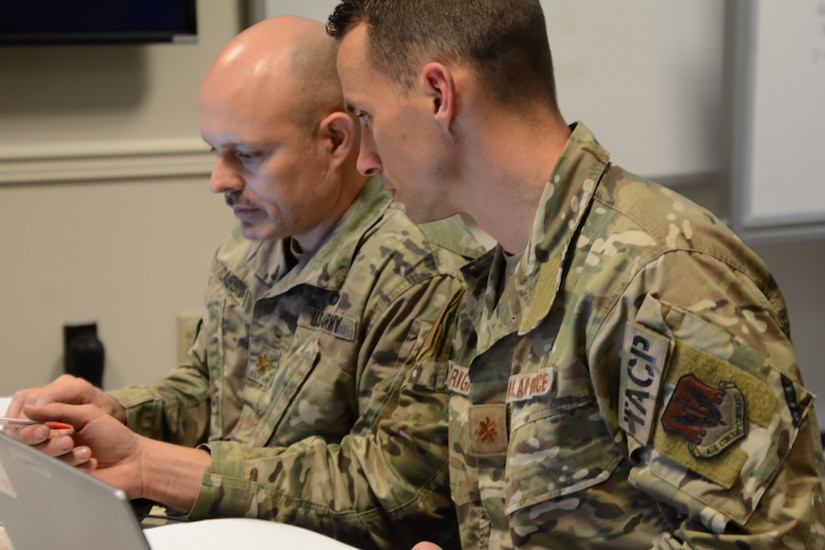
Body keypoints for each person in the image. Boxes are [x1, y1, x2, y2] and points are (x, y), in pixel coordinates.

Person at [327, 1, 825, 548]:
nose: (364, 160)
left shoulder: (659, 276)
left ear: (438, 96)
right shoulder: (495, 286)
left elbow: (775, 541)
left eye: (367, 117)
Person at [7, 15, 485, 550]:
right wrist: (115, 415)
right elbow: (206, 390)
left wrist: (158, 468)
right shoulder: (255, 239)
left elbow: (395, 494)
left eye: (248, 155)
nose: (220, 181)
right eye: (215, 150)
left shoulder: (424, 271)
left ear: (335, 139)